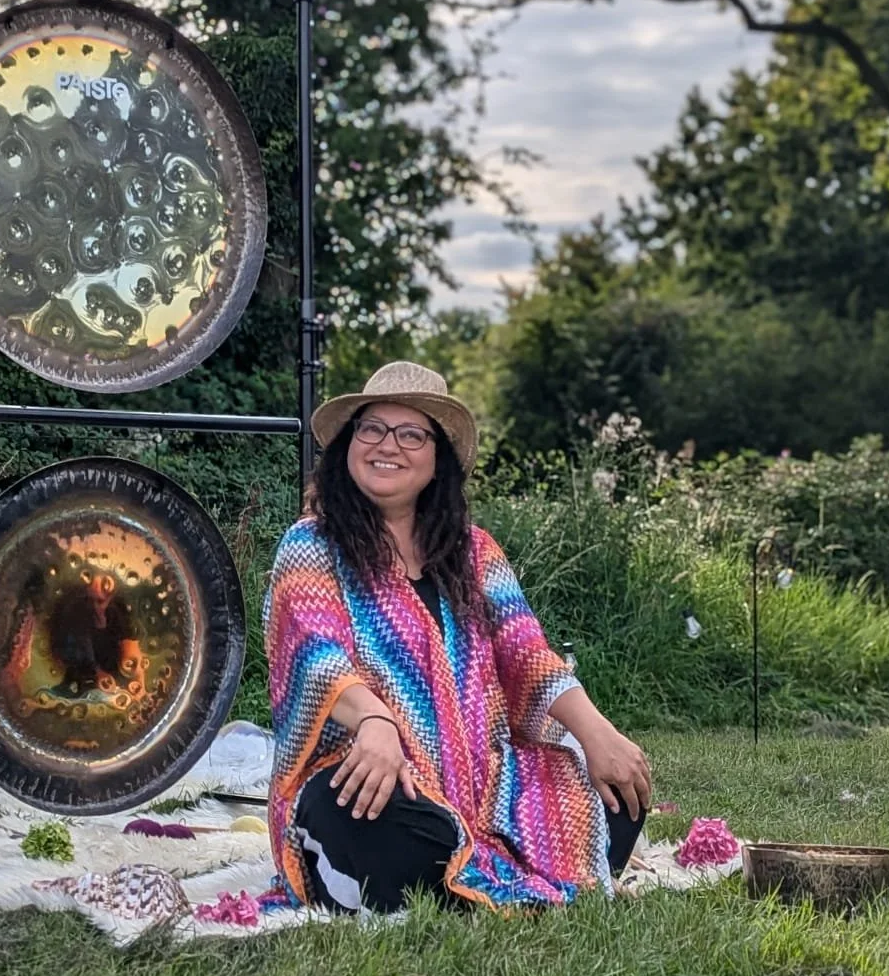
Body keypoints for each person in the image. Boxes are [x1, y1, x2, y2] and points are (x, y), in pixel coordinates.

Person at [263, 361, 652, 913]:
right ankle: (473, 870)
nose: (386, 446)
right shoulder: (311, 545)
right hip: (365, 767)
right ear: (349, 444)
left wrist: (597, 732)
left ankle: (456, 872)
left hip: (483, 781)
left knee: (618, 793)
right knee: (363, 814)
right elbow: (315, 654)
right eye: (370, 429)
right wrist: (375, 722)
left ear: (438, 457)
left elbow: (525, 652)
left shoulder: (474, 551)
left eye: (411, 434)